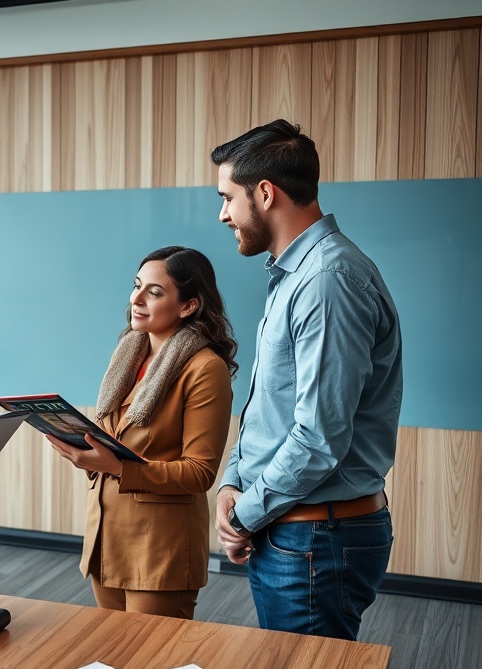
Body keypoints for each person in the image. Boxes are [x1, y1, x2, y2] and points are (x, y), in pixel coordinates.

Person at [211, 119, 402, 641]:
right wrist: (234, 483)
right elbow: (270, 409)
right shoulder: (297, 275)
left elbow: (319, 437)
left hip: (316, 537)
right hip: (297, 528)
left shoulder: (326, 281)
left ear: (265, 193)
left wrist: (245, 512)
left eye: (228, 197)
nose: (223, 212)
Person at [46, 246, 237, 619]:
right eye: (136, 287)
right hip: (107, 539)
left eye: (154, 292)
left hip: (159, 548)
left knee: (153, 668)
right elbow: (113, 439)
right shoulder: (128, 354)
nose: (136, 299)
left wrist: (118, 468)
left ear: (188, 306)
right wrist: (83, 451)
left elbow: (200, 472)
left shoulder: (204, 369)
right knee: (115, 661)